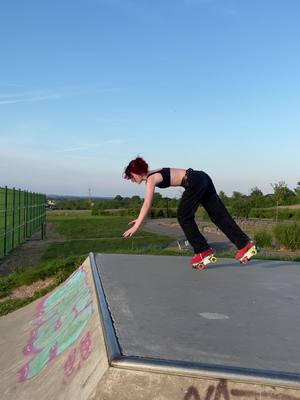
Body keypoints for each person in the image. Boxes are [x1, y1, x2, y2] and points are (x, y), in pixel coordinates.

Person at [122, 156, 257, 267]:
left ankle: (203, 250)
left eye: (132, 177)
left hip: (194, 182)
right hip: (202, 177)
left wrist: (137, 225)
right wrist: (138, 219)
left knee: (183, 216)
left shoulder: (151, 179)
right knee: (218, 215)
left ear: (137, 172)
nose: (132, 180)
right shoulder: (154, 172)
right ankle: (244, 244)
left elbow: (147, 204)